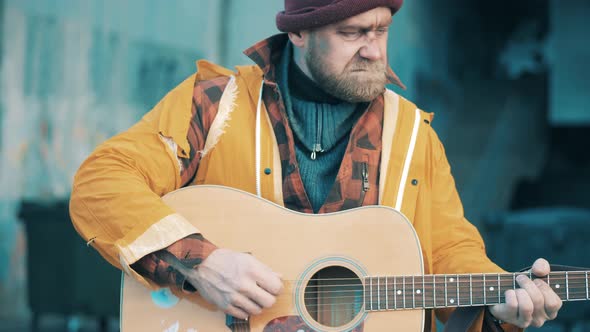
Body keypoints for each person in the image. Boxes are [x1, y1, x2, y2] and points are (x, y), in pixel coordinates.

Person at [69, 0, 562, 331]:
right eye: (352, 33)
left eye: (381, 30)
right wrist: (202, 263)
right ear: (299, 31)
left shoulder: (414, 133)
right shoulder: (215, 104)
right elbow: (102, 183)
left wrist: (503, 297)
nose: (374, 51)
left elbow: (449, 247)